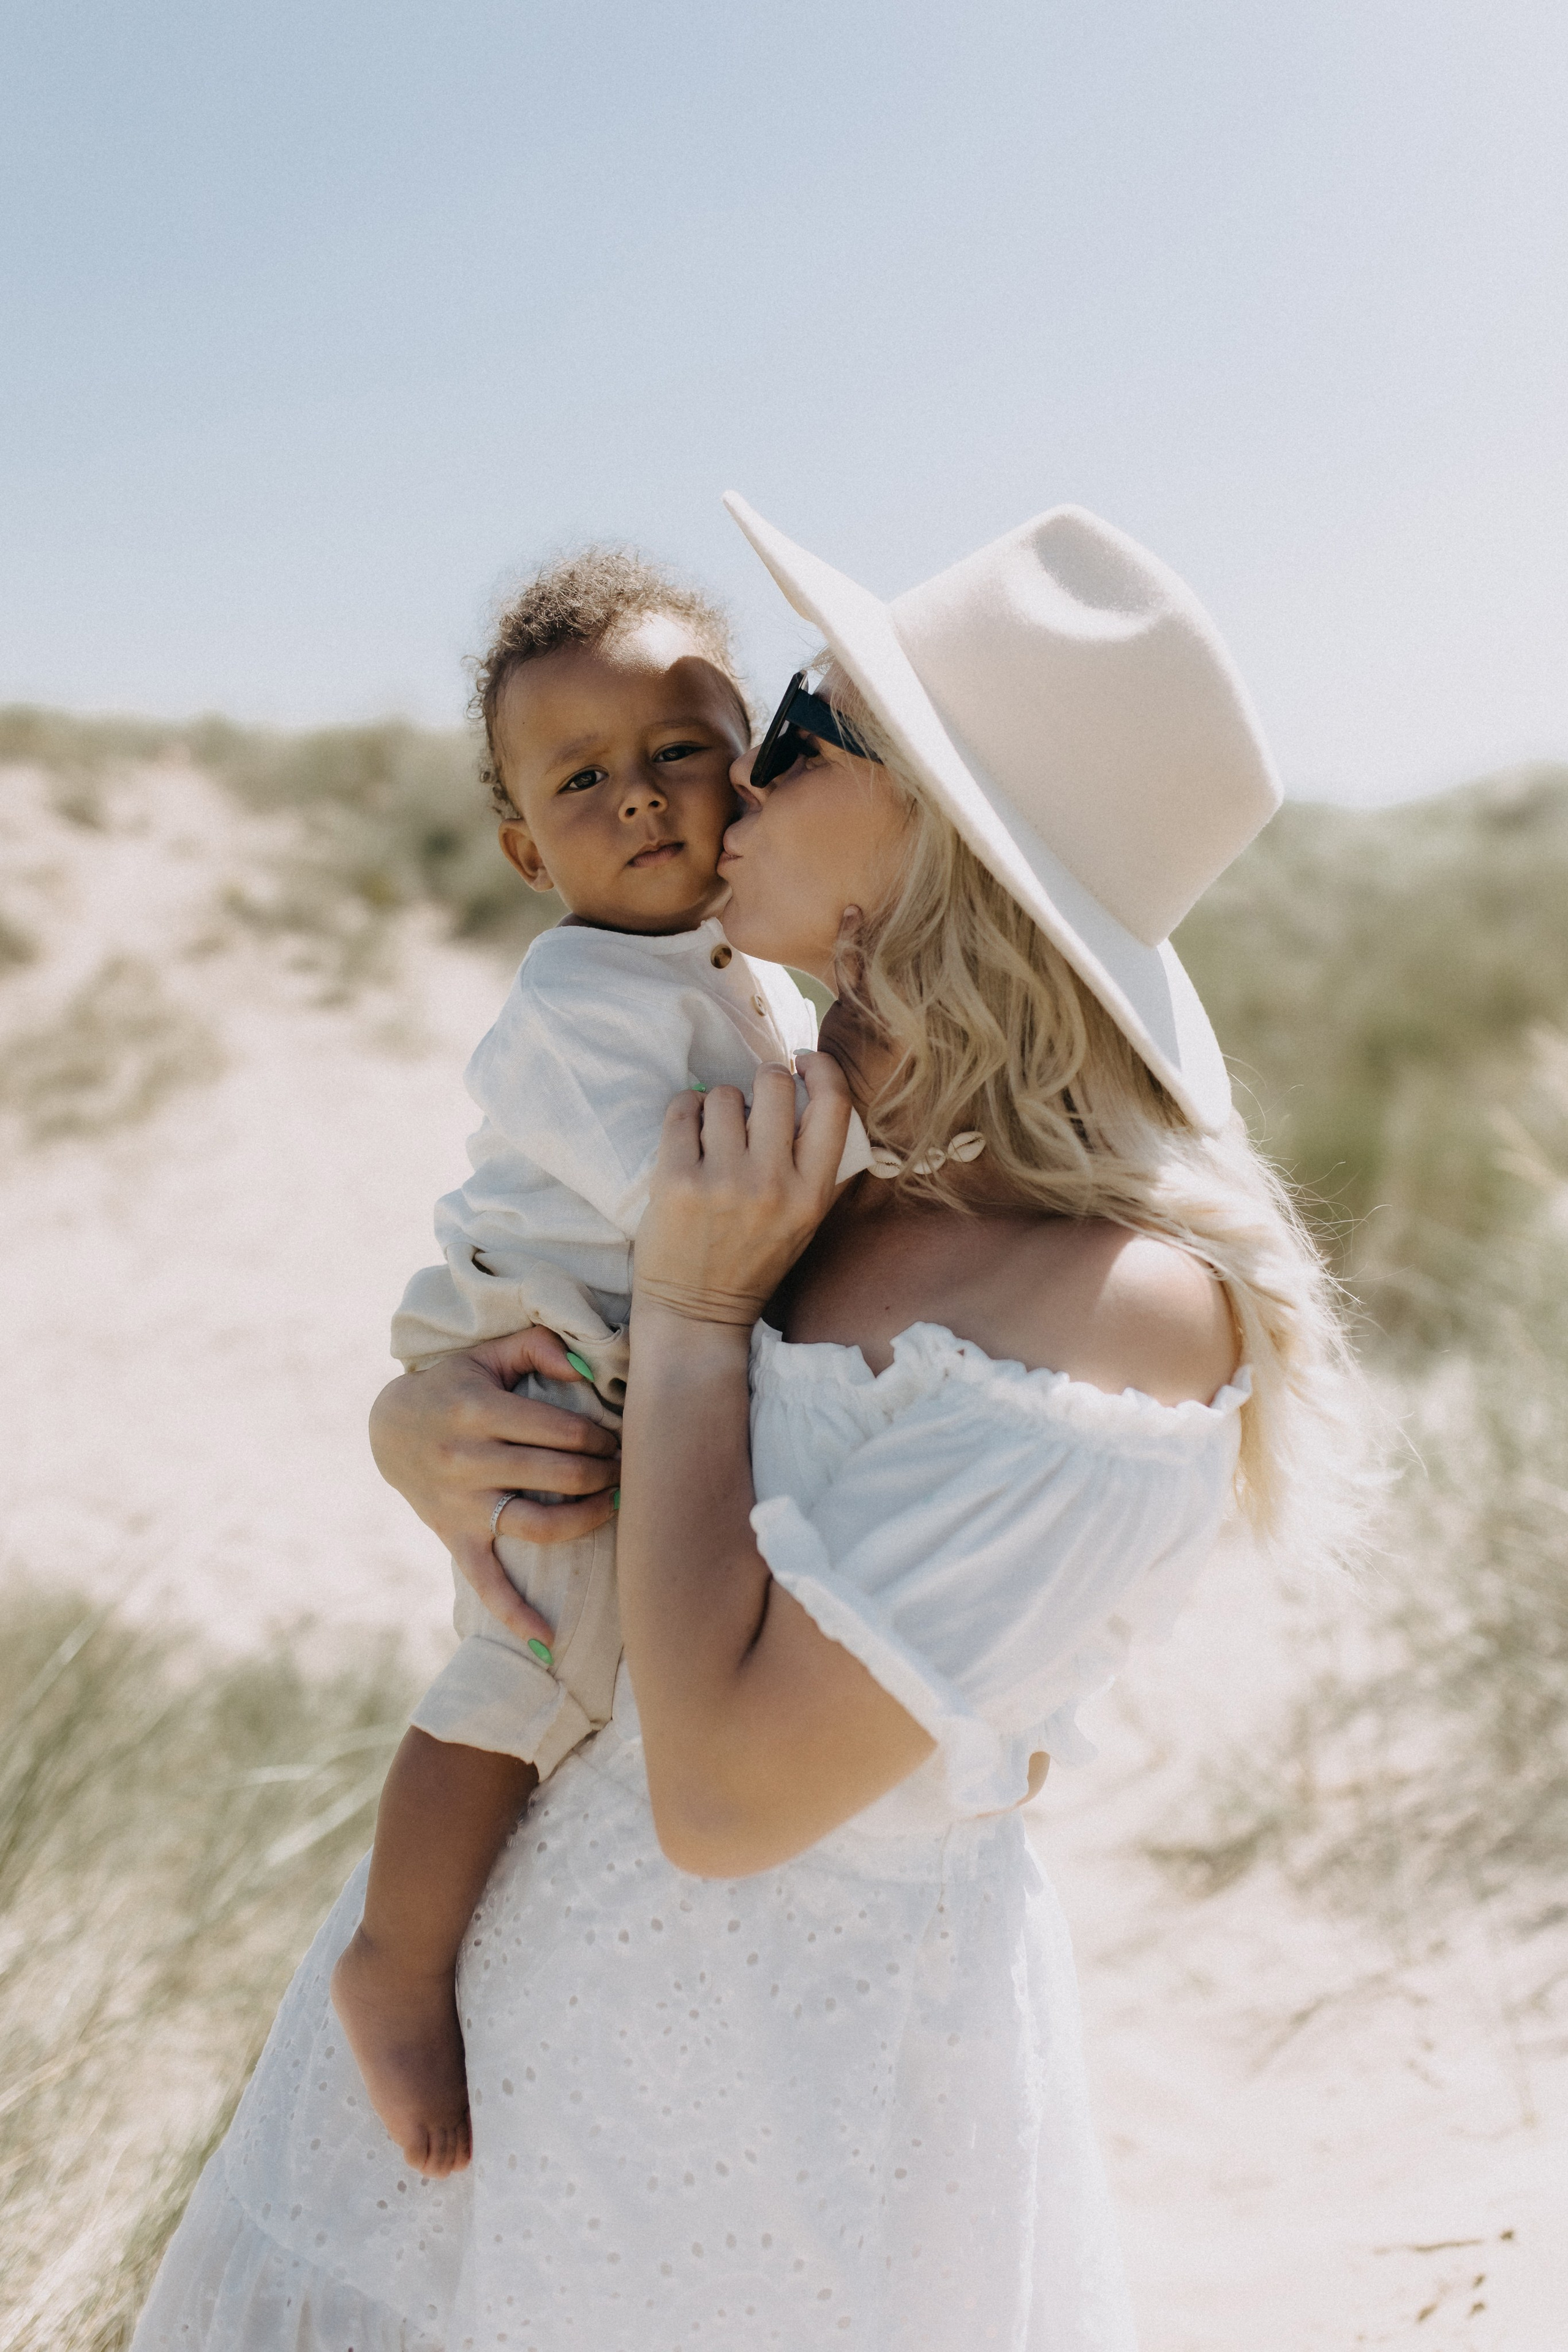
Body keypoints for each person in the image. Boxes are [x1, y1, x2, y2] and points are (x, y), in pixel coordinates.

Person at [133, 492, 1355, 2351]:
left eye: (796, 730)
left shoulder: (1113, 1315)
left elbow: (721, 1798)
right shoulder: (808, 1160)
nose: (731, 785)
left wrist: (704, 1315)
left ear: (934, 835)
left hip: (784, 2143)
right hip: (498, 2067)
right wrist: (419, 1425)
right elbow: (571, 1377)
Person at [332, 548, 870, 2178]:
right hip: (544, 1354)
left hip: (619, 1339)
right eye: (583, 780)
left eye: (678, 753)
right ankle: (398, 1962)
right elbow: (688, 1220)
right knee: (539, 1658)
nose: (640, 800)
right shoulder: (578, 996)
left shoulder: (738, 970)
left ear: (750, 767)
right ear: (522, 846)